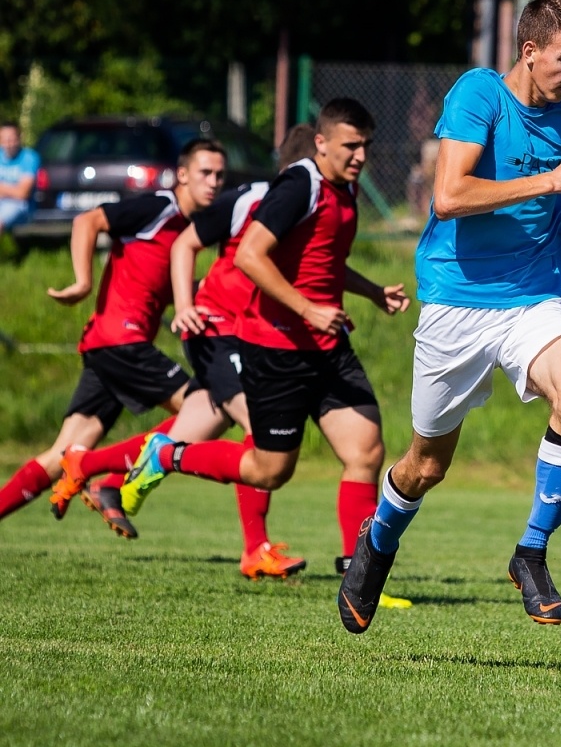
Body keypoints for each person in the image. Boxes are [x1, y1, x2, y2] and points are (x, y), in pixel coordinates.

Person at [336, 0, 561, 635]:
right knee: (426, 465)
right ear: (529, 51)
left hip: (539, 293)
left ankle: (530, 553)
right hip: (458, 299)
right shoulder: (478, 94)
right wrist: (552, 182)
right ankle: (378, 542)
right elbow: (449, 195)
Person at [118, 99, 410, 577]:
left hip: (327, 346)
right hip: (276, 349)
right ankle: (168, 454)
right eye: (350, 146)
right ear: (321, 143)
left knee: (365, 450)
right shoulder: (298, 185)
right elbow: (250, 256)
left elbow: (325, 261)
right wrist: (307, 308)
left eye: (366, 146)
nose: (360, 156)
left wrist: (373, 292)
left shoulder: (348, 187)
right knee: (269, 469)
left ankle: (359, 575)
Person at [0, 139, 226, 530]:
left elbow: (158, 283)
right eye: (205, 173)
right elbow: (87, 221)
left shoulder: (188, 230)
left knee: (61, 454)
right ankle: (112, 483)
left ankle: (90, 475)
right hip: (122, 340)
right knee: (206, 410)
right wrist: (83, 281)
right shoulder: (159, 206)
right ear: (183, 175)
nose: (214, 182)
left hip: (108, 345)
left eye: (220, 175)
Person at [0, 121, 38, 237]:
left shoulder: (29, 157)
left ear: (19, 138)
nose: (9, 144)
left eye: (12, 139)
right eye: (5, 140)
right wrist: (12, 189)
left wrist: (2, 188)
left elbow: (23, 193)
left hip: (21, 206)